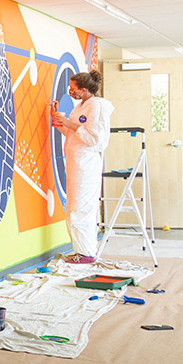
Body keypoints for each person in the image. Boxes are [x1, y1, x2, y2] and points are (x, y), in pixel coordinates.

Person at [51, 70, 114, 264]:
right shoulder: (81, 106)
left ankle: (86, 253)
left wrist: (70, 124)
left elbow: (96, 140)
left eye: (73, 89)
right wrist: (58, 119)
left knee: (81, 207)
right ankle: (81, 250)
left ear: (84, 90)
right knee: (73, 207)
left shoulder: (97, 107)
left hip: (86, 164)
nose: (70, 92)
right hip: (75, 161)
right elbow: (73, 133)